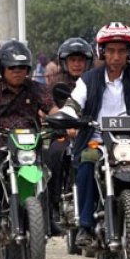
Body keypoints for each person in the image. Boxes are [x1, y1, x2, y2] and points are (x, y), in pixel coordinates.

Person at [58, 22, 130, 248]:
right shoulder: (88, 79)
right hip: (98, 140)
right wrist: (67, 117)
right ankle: (85, 226)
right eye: (111, 51)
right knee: (86, 163)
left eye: (121, 51)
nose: (116, 56)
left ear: (129, 52)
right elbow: (73, 103)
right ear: (102, 51)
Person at [0, 40, 58, 240]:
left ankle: (49, 216)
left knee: (49, 167)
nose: (18, 71)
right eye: (12, 67)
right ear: (2, 68)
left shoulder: (36, 88)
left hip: (29, 143)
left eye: (22, 67)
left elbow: (51, 108)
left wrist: (63, 121)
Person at [46, 37, 94, 235]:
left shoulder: (95, 80)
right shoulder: (55, 83)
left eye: (81, 60)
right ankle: (52, 207)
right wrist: (62, 122)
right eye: (73, 60)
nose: (77, 64)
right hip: (63, 134)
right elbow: (46, 107)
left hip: (91, 133)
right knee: (53, 156)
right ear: (64, 62)